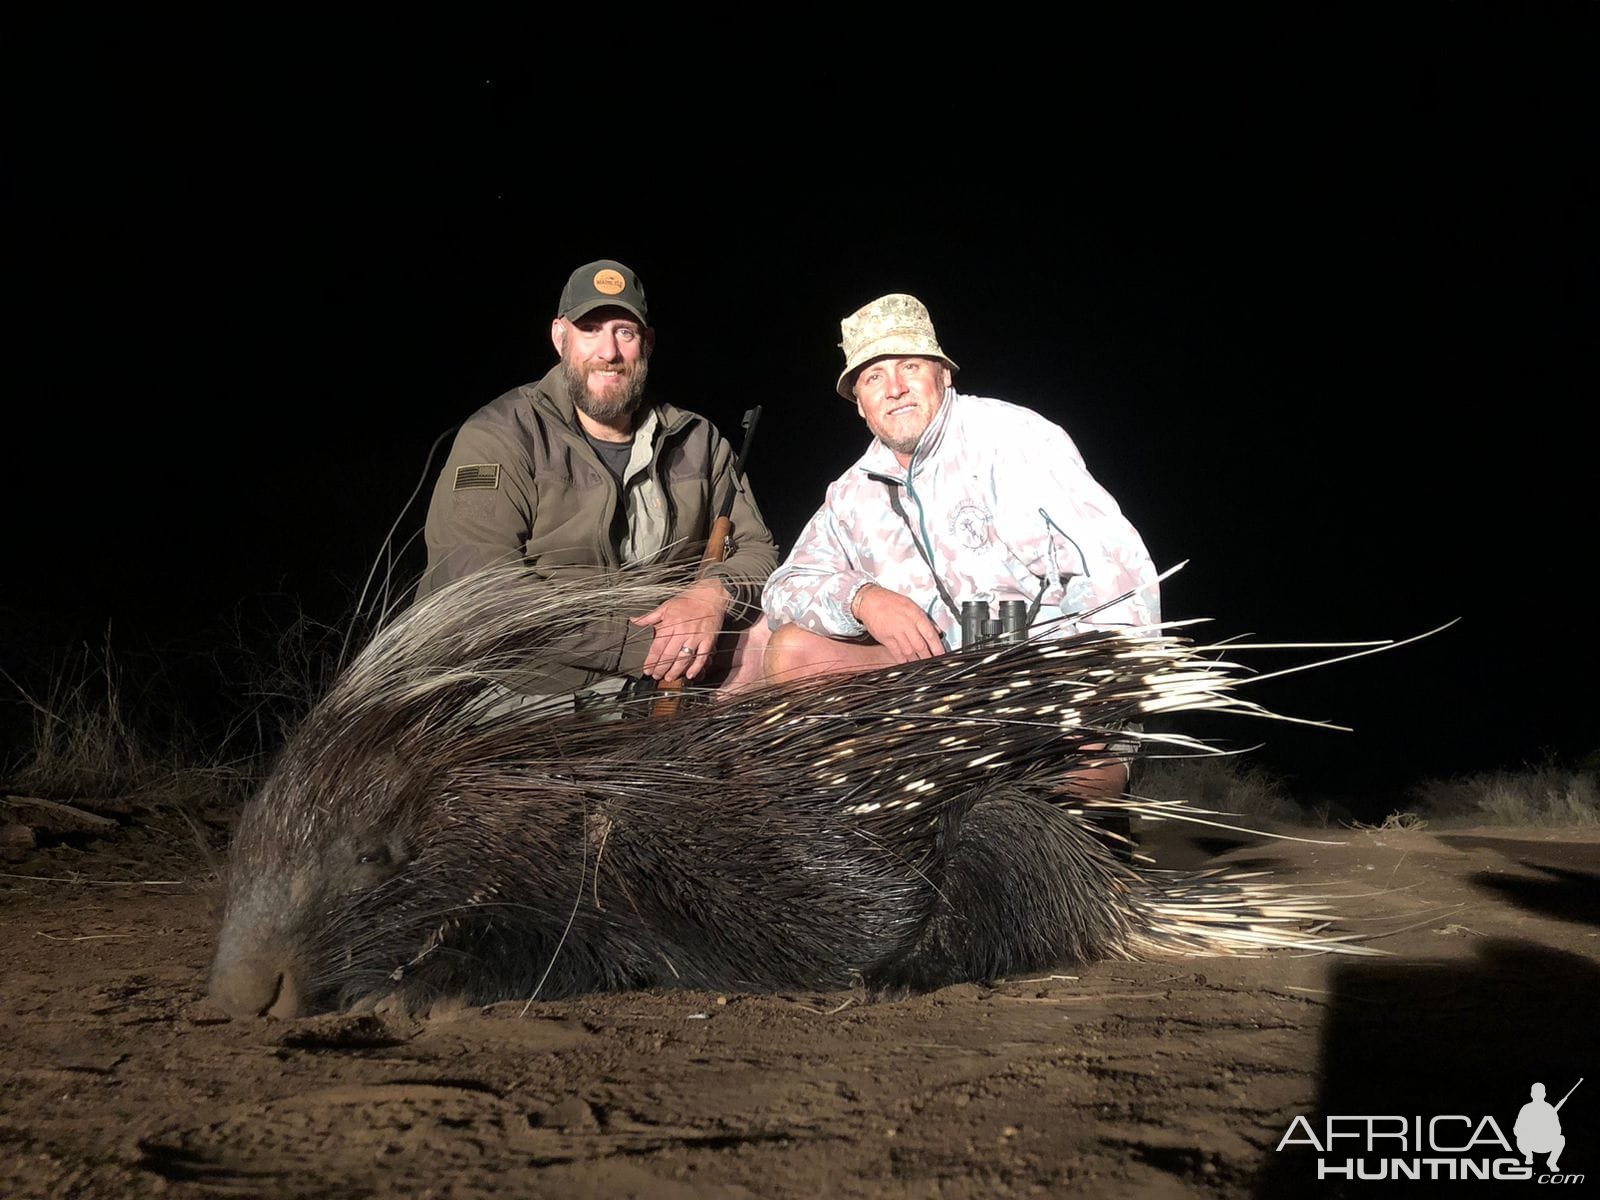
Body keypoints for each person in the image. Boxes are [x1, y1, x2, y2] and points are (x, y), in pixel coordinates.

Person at [762, 292, 1161, 800]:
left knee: (1044, 809)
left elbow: (1118, 579)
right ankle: (878, 807)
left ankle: (1081, 795)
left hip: (1043, 692)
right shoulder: (850, 493)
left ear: (944, 375)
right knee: (792, 650)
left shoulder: (1014, 438)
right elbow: (783, 589)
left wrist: (1086, 699)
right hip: (933, 697)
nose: (896, 388)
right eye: (874, 376)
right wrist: (863, 599)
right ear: (859, 403)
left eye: (910, 365)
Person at [417, 259, 777, 696]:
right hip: (522, 683)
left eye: (624, 332)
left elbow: (758, 550)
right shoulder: (497, 436)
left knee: (778, 648)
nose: (609, 352)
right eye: (590, 329)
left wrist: (714, 594)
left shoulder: (698, 440)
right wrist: (652, 647)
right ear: (560, 336)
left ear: (647, 343)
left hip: (664, 679)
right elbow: (482, 596)